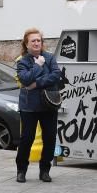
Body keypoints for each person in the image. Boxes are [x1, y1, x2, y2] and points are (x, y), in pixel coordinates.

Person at [15, 28, 62, 183]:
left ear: (42, 43)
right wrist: (38, 66)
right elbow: (25, 79)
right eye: (33, 41)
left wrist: (36, 84)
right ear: (26, 44)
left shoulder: (49, 57)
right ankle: (21, 170)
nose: (36, 43)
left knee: (49, 138)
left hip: (49, 104)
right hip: (29, 106)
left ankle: (44, 171)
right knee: (26, 139)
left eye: (38, 40)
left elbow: (56, 75)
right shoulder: (23, 61)